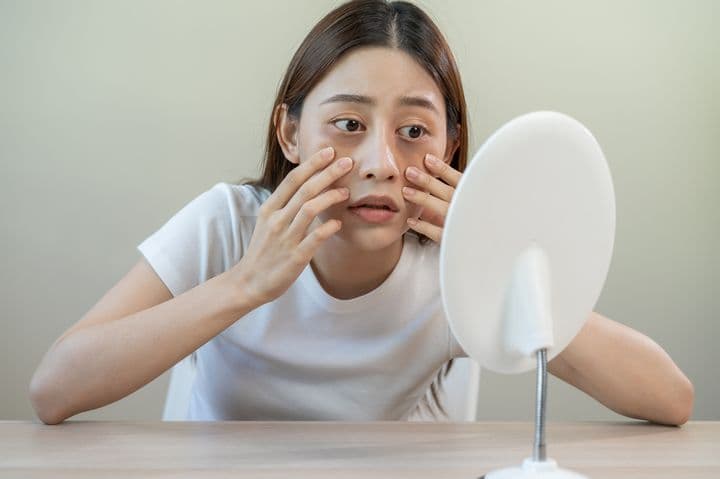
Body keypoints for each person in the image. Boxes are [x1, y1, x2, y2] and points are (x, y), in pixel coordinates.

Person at [29, 0, 693, 425]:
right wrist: (245, 284)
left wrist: (496, 258)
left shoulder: (455, 267)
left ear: (452, 147)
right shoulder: (228, 223)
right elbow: (53, 389)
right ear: (289, 134)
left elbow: (670, 399)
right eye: (348, 123)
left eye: (413, 132)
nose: (379, 161)